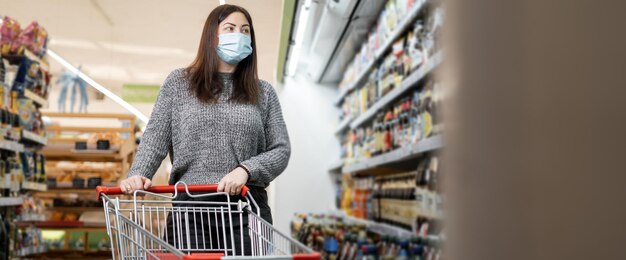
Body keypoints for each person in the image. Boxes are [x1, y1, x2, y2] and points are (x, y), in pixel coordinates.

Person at [118, 4, 290, 256]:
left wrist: (246, 170)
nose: (238, 36)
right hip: (191, 211)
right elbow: (155, 138)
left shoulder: (263, 92)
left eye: (245, 31)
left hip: (246, 208)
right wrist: (138, 174)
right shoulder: (179, 83)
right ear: (212, 35)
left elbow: (281, 150)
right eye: (230, 29)